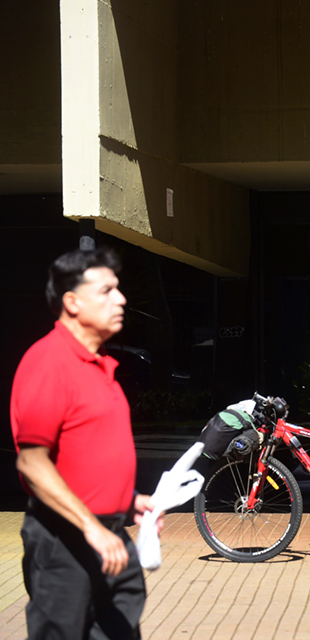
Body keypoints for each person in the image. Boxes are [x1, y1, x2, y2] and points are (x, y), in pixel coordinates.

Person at [10, 247, 160, 640]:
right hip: (65, 539)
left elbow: (86, 455)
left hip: (109, 534)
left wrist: (129, 500)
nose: (121, 299)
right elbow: (32, 463)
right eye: (107, 290)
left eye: (119, 289)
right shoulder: (49, 362)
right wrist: (91, 528)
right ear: (72, 302)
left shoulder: (98, 364)